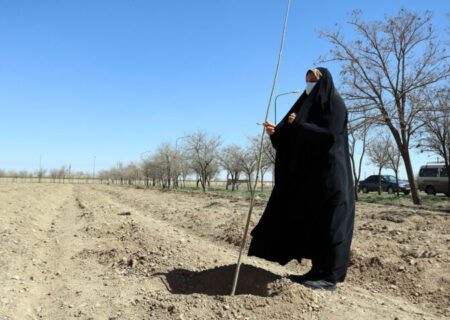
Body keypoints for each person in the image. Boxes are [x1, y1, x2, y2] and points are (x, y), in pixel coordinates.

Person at [247, 67, 355, 291]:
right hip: (314, 180)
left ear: (324, 82)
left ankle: (330, 277)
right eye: (307, 80)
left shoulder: (334, 104)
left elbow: (329, 134)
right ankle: (317, 270)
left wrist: (300, 126)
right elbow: (290, 143)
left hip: (333, 176)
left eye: (313, 80)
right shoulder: (304, 108)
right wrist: (276, 133)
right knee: (316, 223)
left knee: (332, 224)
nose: (309, 85)